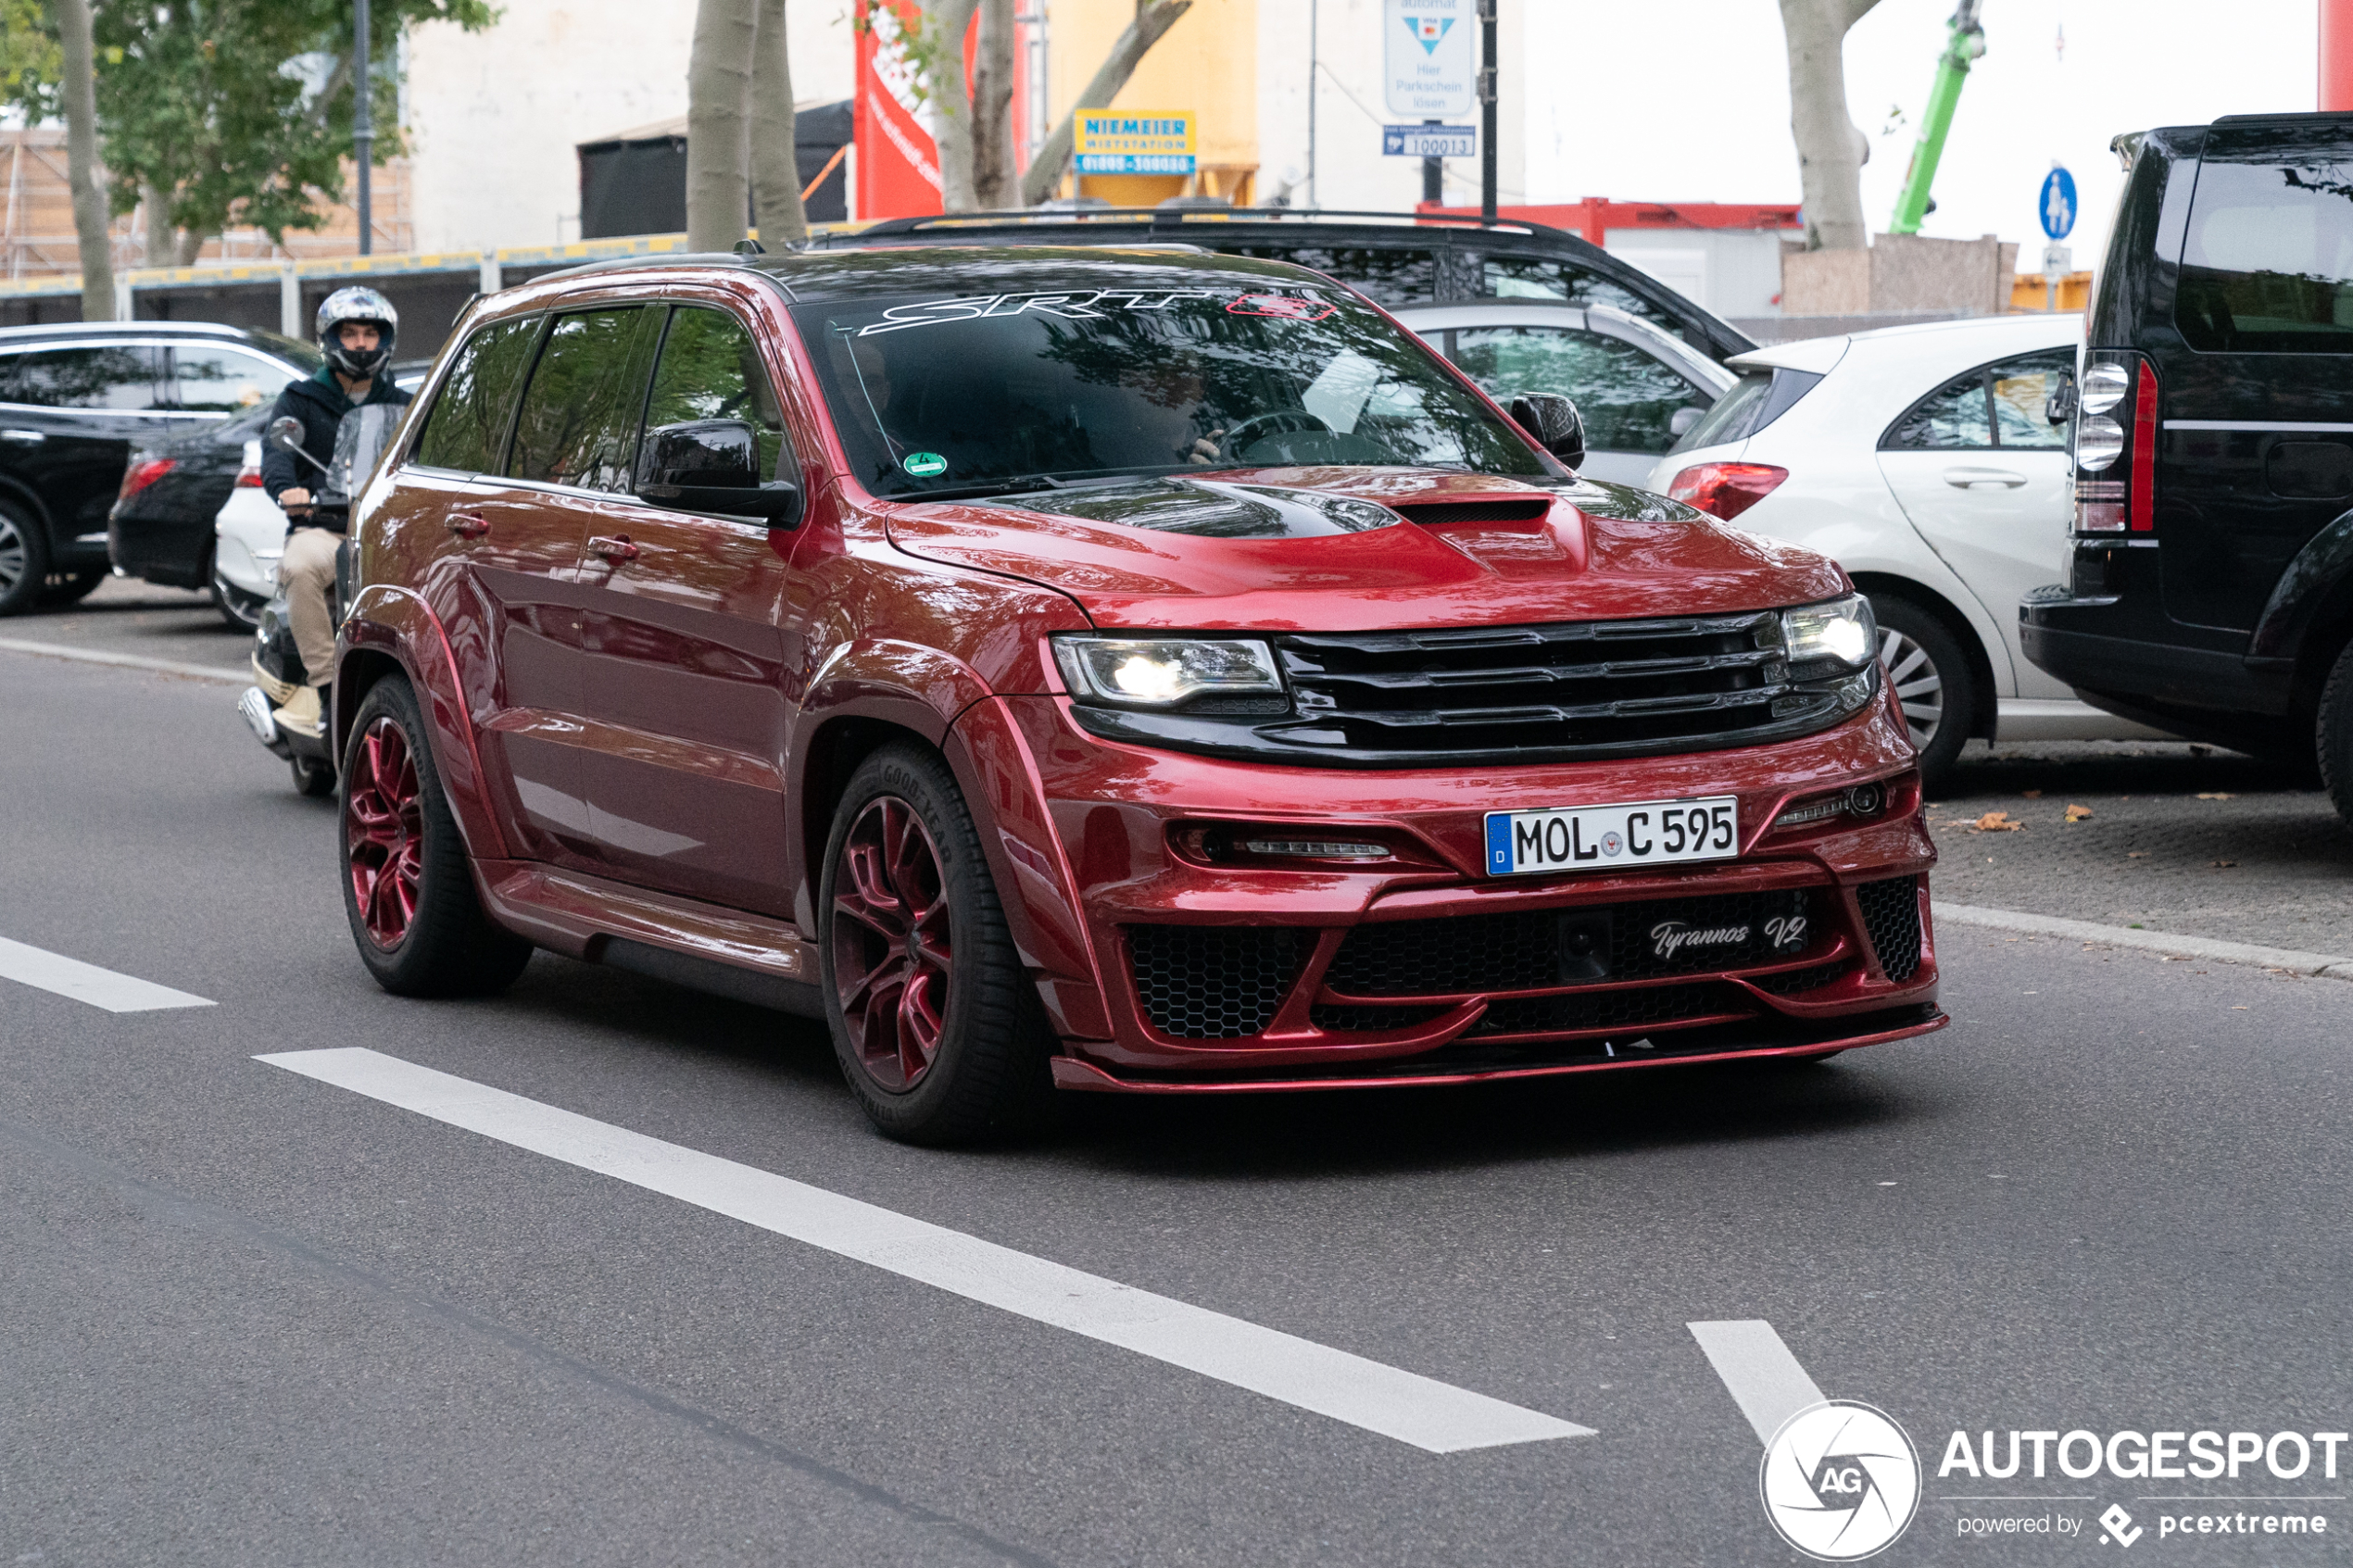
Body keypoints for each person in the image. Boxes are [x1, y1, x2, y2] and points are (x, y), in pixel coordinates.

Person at [254, 286, 411, 738]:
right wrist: (287, 490)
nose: (361, 344)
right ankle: (328, 689)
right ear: (329, 339)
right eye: (350, 334)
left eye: (370, 334)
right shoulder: (300, 398)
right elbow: (276, 453)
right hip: (323, 529)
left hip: (383, 532)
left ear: (385, 341)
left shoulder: (404, 405)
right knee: (300, 569)